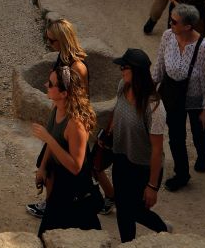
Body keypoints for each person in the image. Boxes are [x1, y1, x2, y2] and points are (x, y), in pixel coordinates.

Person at [27, 63, 103, 234]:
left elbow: (76, 167)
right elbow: (53, 141)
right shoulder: (57, 107)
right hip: (60, 184)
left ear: (64, 93)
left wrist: (48, 138)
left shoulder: (75, 124)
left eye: (51, 84)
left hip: (74, 191)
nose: (46, 85)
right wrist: (42, 167)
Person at [106, 49, 170, 241]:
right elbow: (117, 112)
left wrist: (152, 186)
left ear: (136, 71)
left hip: (142, 168)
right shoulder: (122, 86)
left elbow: (157, 150)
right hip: (121, 159)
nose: (121, 70)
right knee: (123, 210)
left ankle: (163, 231)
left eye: (124, 67)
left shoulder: (154, 107)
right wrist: (107, 133)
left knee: (135, 210)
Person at [154, 4, 205, 191]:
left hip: (194, 97)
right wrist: (150, 88)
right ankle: (182, 174)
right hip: (172, 95)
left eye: (174, 22)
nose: (170, 24)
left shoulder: (202, 48)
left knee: (199, 132)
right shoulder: (167, 36)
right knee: (176, 136)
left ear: (188, 26)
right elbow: (159, 65)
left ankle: (203, 155)